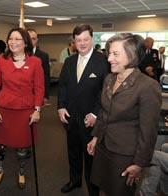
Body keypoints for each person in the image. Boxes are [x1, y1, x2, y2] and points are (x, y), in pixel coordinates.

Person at [87, 33, 162, 196]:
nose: (109, 59)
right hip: (104, 146)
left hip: (125, 154)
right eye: (109, 53)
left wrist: (139, 163)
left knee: (120, 192)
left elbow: (148, 131)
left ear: (132, 55)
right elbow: (104, 112)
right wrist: (95, 137)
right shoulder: (109, 79)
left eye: (115, 54)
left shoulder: (148, 86)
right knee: (105, 188)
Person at [0, 27, 44, 189]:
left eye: (17, 39)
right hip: (5, 110)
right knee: (2, 144)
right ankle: (0, 169)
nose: (13, 42)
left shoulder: (35, 62)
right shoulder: (1, 60)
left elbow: (39, 88)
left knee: (23, 146)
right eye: (10, 39)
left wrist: (37, 110)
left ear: (25, 42)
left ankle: (21, 171)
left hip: (26, 112)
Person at [58, 24, 109, 195]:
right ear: (74, 42)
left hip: (91, 119)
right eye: (78, 40)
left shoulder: (103, 61)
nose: (82, 43)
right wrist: (60, 107)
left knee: (91, 157)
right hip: (70, 117)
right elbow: (63, 86)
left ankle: (93, 189)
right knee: (73, 152)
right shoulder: (69, 61)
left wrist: (96, 113)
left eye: (85, 39)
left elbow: (105, 92)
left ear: (92, 39)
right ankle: (75, 180)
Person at [27, 28, 50, 104]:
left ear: (37, 40)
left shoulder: (43, 56)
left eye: (33, 39)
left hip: (38, 93)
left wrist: (46, 95)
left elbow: (46, 76)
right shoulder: (19, 55)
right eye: (28, 38)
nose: (31, 41)